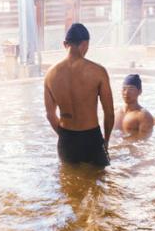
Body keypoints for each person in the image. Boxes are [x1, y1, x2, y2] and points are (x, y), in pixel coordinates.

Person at [44, 23, 114, 166]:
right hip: (91, 138)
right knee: (100, 179)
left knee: (68, 178)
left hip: (66, 139)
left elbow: (50, 115)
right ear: (84, 44)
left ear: (65, 44)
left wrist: (65, 136)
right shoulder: (98, 71)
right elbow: (109, 113)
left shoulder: (50, 74)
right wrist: (106, 141)